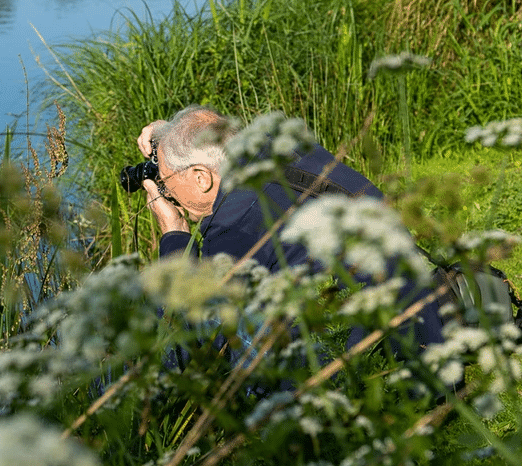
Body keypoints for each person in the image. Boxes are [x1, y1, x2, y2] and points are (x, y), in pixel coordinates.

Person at [136, 105, 446, 357]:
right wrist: (171, 134)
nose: (167, 192)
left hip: (379, 381)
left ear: (202, 177)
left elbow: (201, 330)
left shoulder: (236, 223)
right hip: (427, 335)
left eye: (165, 181)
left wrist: (174, 233)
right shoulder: (290, 148)